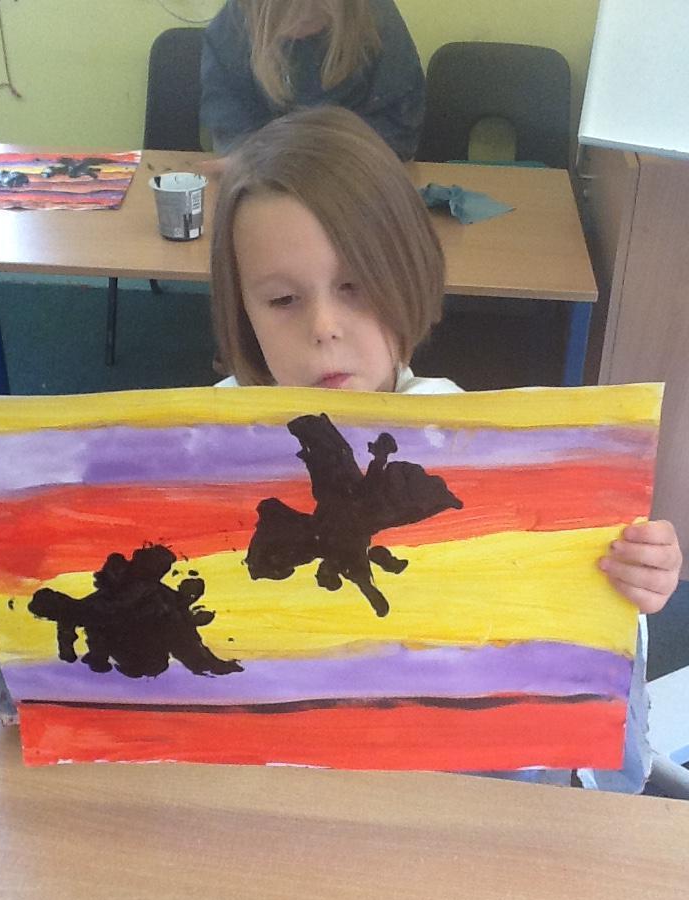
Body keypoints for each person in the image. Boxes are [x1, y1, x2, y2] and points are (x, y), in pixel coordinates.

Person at [207, 104, 682, 790]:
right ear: (243, 311)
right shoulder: (206, 443)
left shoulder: (464, 442)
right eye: (283, 300)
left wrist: (637, 578)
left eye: (354, 286)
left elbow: (581, 639)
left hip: (436, 785)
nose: (324, 327)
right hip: (273, 777)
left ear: (405, 275)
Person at [199, 0, 424, 167]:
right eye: (286, 14)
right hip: (262, 176)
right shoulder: (235, 23)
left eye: (314, 15)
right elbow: (229, 123)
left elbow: (399, 130)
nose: (301, 22)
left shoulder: (375, 17)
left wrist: (319, 159)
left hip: (353, 178)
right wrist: (249, 159)